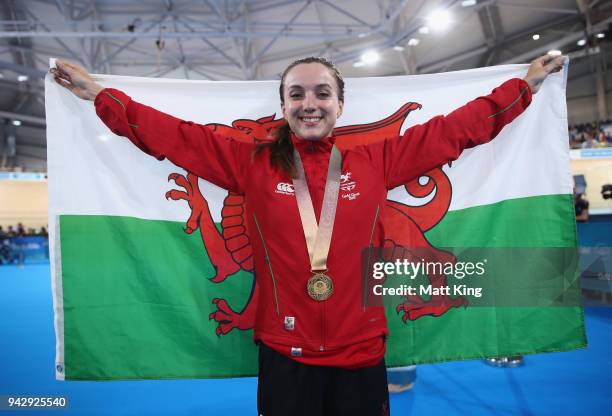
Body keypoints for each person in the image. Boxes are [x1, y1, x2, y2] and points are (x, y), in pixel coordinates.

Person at [52, 53, 564, 416]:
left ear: (341, 105)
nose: (309, 103)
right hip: (284, 355)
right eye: (296, 94)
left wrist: (525, 87)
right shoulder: (248, 162)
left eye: (322, 93)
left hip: (361, 354)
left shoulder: (377, 160)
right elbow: (174, 136)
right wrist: (102, 95)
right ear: (284, 107)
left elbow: (456, 130)